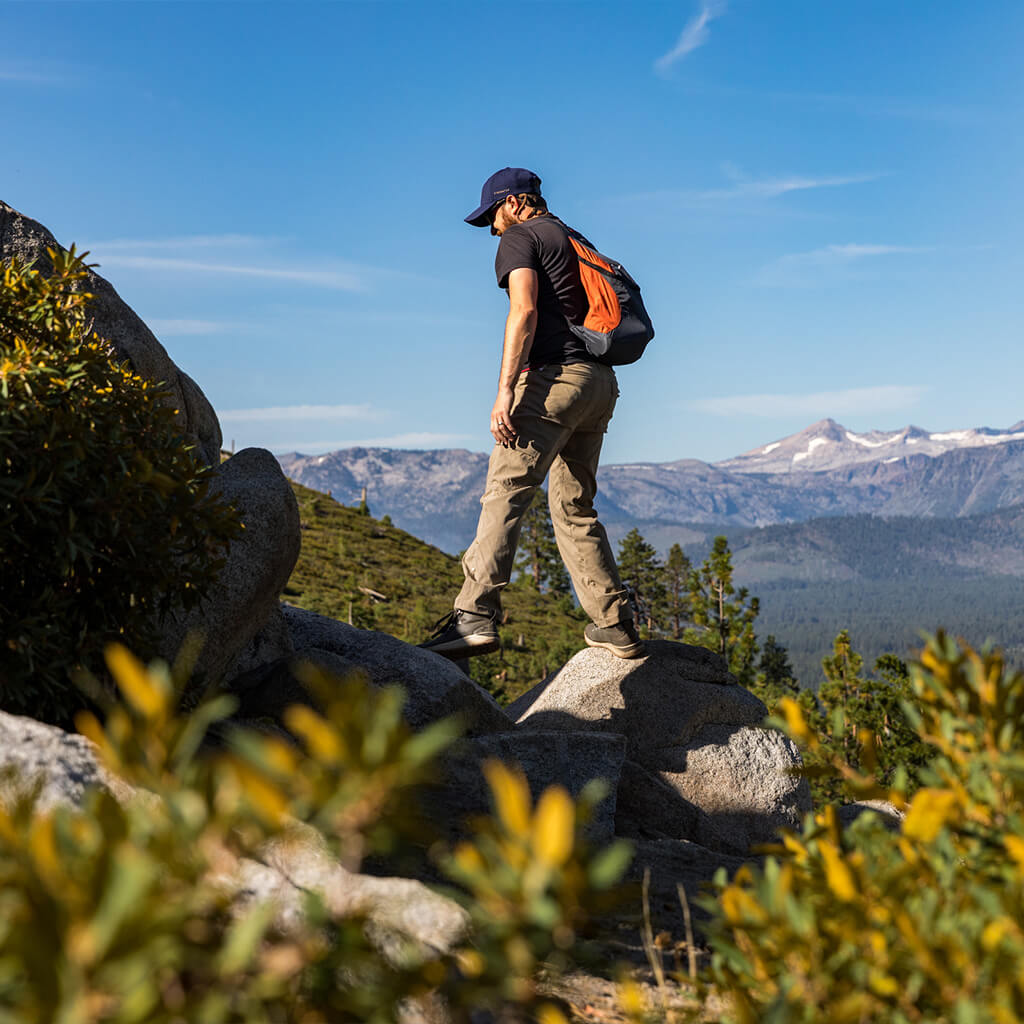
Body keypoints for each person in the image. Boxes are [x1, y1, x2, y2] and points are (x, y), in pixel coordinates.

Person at [420, 167, 644, 660]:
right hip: (599, 384)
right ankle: (614, 622)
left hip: (551, 383)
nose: (493, 229)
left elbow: (523, 311)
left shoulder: (521, 237)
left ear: (517, 203)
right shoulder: (574, 238)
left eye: (494, 216)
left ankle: (474, 616)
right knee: (574, 507)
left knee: (506, 492)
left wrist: (504, 391)